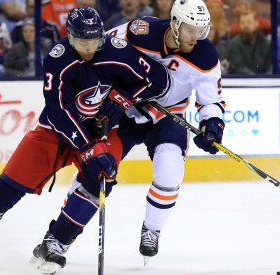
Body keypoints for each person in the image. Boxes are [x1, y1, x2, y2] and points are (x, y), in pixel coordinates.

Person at [0, 7, 169, 268]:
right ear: (69, 36)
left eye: (95, 42)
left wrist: (122, 101)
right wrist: (87, 148)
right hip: (57, 129)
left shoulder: (117, 50)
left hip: (105, 130)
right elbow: (58, 112)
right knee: (10, 183)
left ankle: (56, 242)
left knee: (101, 177)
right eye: (82, 43)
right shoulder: (57, 59)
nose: (89, 48)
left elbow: (159, 80)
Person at [70, 0, 226, 264]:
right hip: (125, 110)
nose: (195, 37)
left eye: (201, 30)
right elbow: (101, 47)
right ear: (175, 24)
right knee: (94, 171)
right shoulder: (141, 30)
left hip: (169, 115)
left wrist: (212, 125)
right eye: (190, 29)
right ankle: (63, 233)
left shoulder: (206, 55)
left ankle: (152, 230)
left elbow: (211, 99)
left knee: (170, 171)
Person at [227, 9, 271, 74]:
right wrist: (256, 79)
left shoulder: (266, 43)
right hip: (242, 82)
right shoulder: (234, 44)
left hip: (265, 81)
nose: (245, 25)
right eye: (242, 23)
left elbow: (269, 67)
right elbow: (239, 67)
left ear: (256, 23)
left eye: (249, 22)